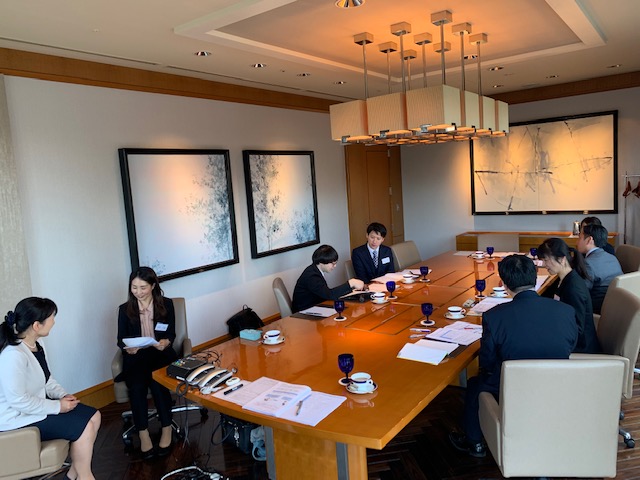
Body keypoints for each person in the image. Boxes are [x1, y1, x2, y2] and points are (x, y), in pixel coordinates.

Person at [449, 255, 577, 458]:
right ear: (535, 278)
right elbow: (570, 345)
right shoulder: (566, 311)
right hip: (557, 381)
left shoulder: (494, 316)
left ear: (504, 284)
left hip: (513, 384)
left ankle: (475, 443)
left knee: (475, 385)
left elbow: (487, 362)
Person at [0, 297, 101, 480]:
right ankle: (85, 476)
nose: (54, 321)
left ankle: (72, 475)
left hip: (33, 409)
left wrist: (64, 395)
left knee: (95, 415)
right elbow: (18, 401)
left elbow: (47, 380)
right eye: (51, 317)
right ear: (36, 325)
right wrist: (57, 406)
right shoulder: (13, 355)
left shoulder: (36, 345)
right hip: (16, 418)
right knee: (85, 426)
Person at [116, 267, 178, 459]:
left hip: (160, 354)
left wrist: (166, 342)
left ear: (152, 286)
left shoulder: (166, 305)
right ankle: (143, 432)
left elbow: (171, 333)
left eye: (142, 287)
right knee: (137, 387)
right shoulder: (124, 310)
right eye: (134, 287)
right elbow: (120, 339)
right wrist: (128, 348)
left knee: (158, 384)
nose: (138, 292)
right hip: (137, 357)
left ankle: (166, 427)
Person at [537, 238, 600, 353]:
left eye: (546, 260)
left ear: (562, 259)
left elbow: (577, 329)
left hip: (580, 347)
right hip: (568, 337)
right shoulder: (563, 279)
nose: (544, 265)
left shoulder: (573, 288)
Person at [292, 245, 365, 312]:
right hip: (304, 312)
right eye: (333, 263)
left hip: (316, 307)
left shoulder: (314, 270)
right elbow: (329, 295)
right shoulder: (311, 276)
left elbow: (325, 293)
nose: (335, 266)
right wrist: (350, 283)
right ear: (321, 262)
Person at [576, 223, 623, 314]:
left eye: (579, 238)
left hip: (595, 309)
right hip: (615, 306)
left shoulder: (588, 263)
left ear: (589, 240)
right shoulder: (612, 257)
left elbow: (580, 292)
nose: (576, 242)